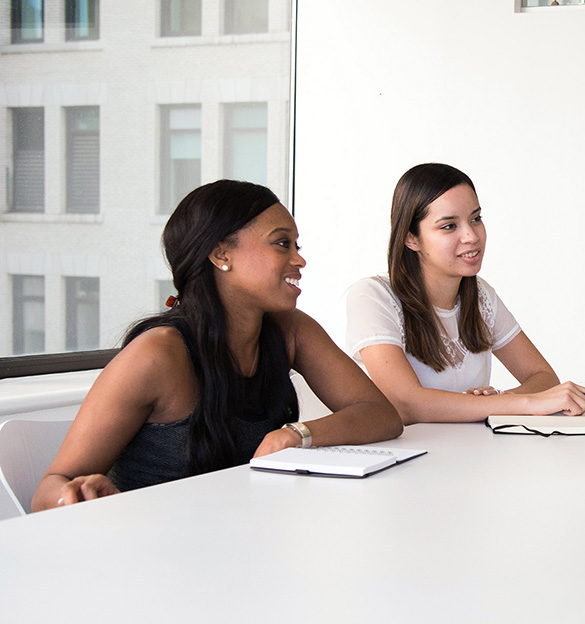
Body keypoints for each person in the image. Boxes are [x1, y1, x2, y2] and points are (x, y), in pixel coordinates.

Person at [33, 181, 403, 511]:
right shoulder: (158, 355)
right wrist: (75, 495)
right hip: (153, 555)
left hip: (241, 538)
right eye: (281, 243)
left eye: (296, 245)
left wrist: (295, 434)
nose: (299, 259)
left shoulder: (290, 330)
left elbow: (380, 415)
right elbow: (49, 491)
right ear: (221, 254)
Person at [345, 162, 585, 422]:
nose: (471, 236)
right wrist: (515, 403)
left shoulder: (480, 295)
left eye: (475, 219)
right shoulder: (373, 296)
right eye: (449, 226)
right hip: (404, 458)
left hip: (469, 454)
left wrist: (499, 400)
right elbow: (407, 403)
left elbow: (543, 378)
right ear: (411, 238)